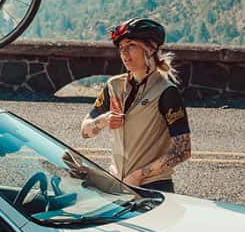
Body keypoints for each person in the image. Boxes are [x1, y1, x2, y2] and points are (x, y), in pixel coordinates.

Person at [80, 18, 191, 192]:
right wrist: (103, 121)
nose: (124, 53)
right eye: (121, 48)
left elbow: (182, 150)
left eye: (131, 45)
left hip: (153, 187)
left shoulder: (166, 92)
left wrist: (139, 175)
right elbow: (85, 132)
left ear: (151, 48)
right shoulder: (114, 86)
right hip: (117, 184)